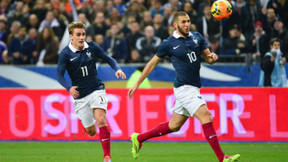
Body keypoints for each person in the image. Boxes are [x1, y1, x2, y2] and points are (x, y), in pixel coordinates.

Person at [128, 11, 240, 162]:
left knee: (174, 126)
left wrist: (212, 57)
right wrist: (137, 84)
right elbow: (152, 64)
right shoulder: (168, 43)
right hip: (184, 88)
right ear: (175, 24)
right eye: (183, 22)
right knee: (206, 116)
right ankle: (222, 158)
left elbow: (208, 58)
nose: (187, 24)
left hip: (194, 87)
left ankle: (139, 138)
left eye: (188, 21)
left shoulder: (197, 37)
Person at [57, 22, 126, 162]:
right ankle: (89, 126)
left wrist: (117, 68)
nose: (81, 37)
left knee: (101, 119)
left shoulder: (92, 47)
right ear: (71, 36)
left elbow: (108, 58)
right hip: (80, 96)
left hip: (96, 89)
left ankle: (107, 156)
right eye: (78, 35)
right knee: (91, 131)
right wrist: (69, 88)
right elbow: (59, 75)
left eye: (83, 34)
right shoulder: (65, 54)